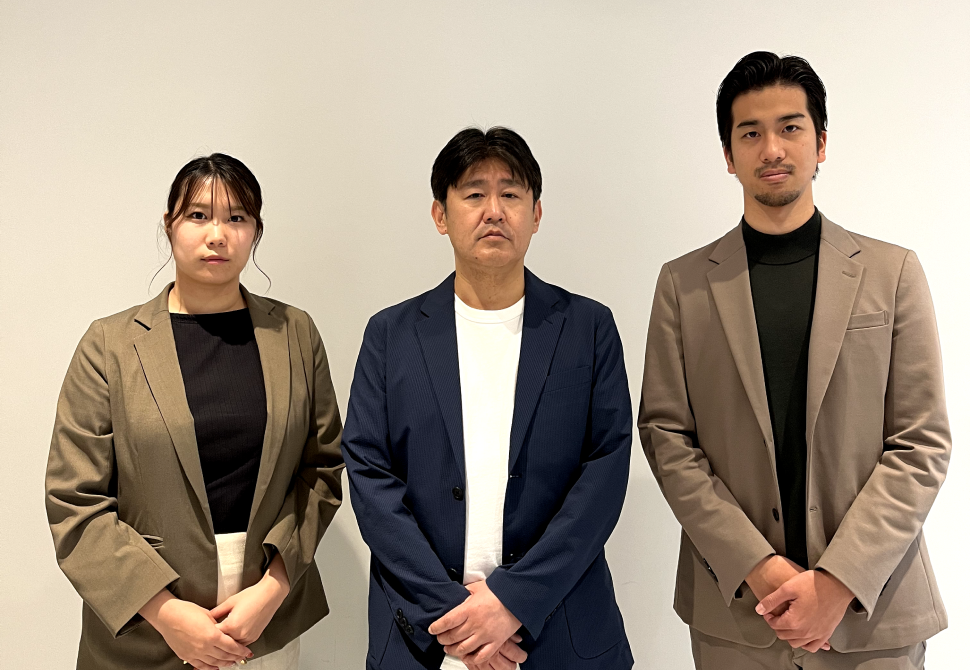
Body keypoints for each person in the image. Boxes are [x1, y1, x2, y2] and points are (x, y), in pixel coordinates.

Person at [639, 51, 950, 669]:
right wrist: (757, 565)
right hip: (737, 617)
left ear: (821, 143)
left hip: (872, 615)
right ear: (729, 155)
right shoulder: (683, 285)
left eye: (790, 127)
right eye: (750, 133)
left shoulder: (892, 273)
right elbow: (667, 439)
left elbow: (921, 443)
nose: (772, 149)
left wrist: (838, 579)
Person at [341, 127, 634, 670]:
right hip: (425, 637)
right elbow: (369, 478)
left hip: (561, 632)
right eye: (474, 194)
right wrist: (456, 616)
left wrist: (513, 601)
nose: (494, 211)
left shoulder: (588, 329)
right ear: (440, 214)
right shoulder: (390, 335)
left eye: (511, 194)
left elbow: (604, 476)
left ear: (536, 214)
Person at [45, 154, 345, 670]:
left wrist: (272, 588)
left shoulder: (294, 333)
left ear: (255, 231)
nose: (217, 235)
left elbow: (322, 470)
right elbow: (75, 499)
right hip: (144, 629)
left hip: (264, 622)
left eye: (237, 218)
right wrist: (165, 612)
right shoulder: (109, 345)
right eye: (198, 215)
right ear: (169, 225)